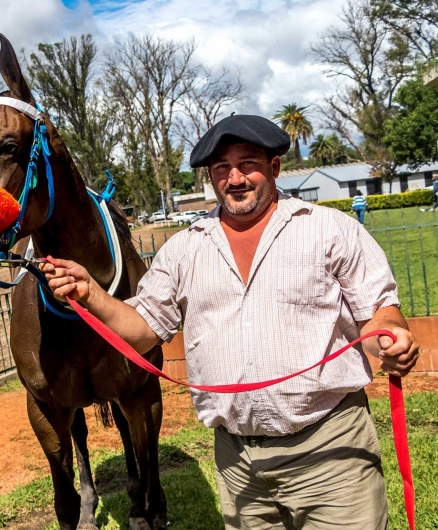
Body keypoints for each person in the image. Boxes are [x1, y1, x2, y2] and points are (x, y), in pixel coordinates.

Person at [42, 115, 420, 529]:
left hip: (329, 450)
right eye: (222, 168)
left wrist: (387, 340)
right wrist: (90, 293)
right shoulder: (184, 249)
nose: (235, 177)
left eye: (248, 163)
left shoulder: (330, 231)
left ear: (274, 167)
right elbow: (144, 328)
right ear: (211, 177)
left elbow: (377, 312)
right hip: (238, 463)